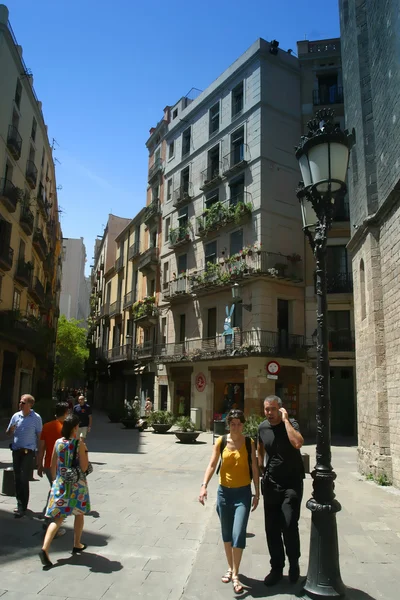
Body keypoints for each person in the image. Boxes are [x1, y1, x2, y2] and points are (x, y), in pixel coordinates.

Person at [199, 409, 259, 594]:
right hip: (224, 494)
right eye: (233, 423)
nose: (236, 427)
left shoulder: (249, 443)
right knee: (226, 534)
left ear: (243, 424)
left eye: (239, 423)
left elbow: (254, 467)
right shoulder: (221, 441)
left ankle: (235, 575)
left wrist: (257, 492)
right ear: (228, 425)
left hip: (242, 495)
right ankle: (230, 567)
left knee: (238, 533)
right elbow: (211, 464)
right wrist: (204, 486)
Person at [257, 395, 305, 586]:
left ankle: (294, 564)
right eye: (267, 409)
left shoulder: (291, 424)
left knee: (289, 524)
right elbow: (260, 448)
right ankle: (276, 568)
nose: (269, 413)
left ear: (281, 409)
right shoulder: (262, 428)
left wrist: (285, 421)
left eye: (273, 409)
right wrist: (261, 468)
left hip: (291, 485)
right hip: (271, 484)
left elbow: (298, 443)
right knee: (272, 529)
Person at [39, 414, 91, 568]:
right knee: (79, 513)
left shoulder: (58, 443)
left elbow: (53, 463)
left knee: (58, 519)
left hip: (60, 484)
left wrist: (56, 480)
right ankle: (77, 543)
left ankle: (45, 548)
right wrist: (85, 449)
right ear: (75, 428)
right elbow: (84, 467)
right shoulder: (78, 444)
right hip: (77, 485)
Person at [6, 394, 42, 518]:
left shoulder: (36, 418)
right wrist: (11, 429)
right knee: (17, 478)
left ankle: (23, 506)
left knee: (23, 478)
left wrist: (39, 454)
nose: (20, 404)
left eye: (23, 402)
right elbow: (8, 433)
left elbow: (39, 436)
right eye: (20, 402)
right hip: (16, 451)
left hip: (28, 452)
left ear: (30, 404)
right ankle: (19, 503)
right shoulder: (16, 416)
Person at [37, 402, 70, 536]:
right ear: (66, 412)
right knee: (57, 494)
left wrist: (39, 464)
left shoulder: (47, 426)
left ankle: (50, 519)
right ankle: (51, 523)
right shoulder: (68, 429)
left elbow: (41, 447)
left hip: (48, 465)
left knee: (53, 491)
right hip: (61, 467)